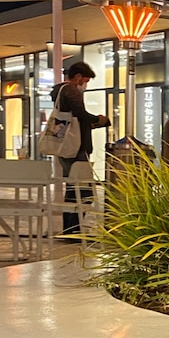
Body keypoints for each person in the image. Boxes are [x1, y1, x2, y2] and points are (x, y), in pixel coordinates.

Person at [50, 61, 109, 237]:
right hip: (76, 148)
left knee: (72, 188)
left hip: (66, 147)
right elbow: (80, 114)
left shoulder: (60, 91)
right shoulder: (71, 90)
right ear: (77, 77)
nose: (85, 85)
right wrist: (98, 119)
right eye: (86, 80)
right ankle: (73, 229)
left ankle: (70, 228)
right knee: (84, 190)